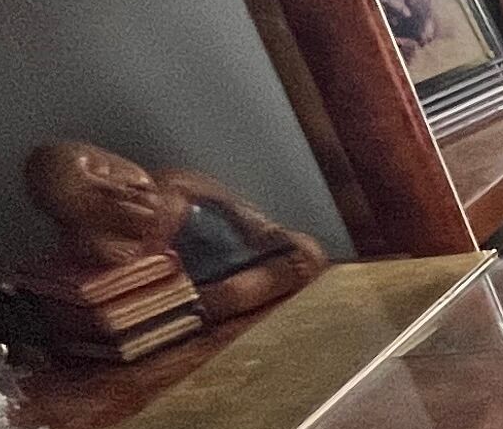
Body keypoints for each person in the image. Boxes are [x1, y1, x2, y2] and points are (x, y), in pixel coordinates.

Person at [19, 139, 326, 325]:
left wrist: (263, 227)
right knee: (232, 295)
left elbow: (236, 206)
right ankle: (279, 278)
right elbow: (87, 257)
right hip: (211, 285)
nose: (116, 188)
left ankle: (282, 274)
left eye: (107, 169)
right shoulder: (106, 240)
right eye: (91, 198)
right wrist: (97, 244)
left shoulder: (177, 182)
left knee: (309, 247)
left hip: (251, 254)